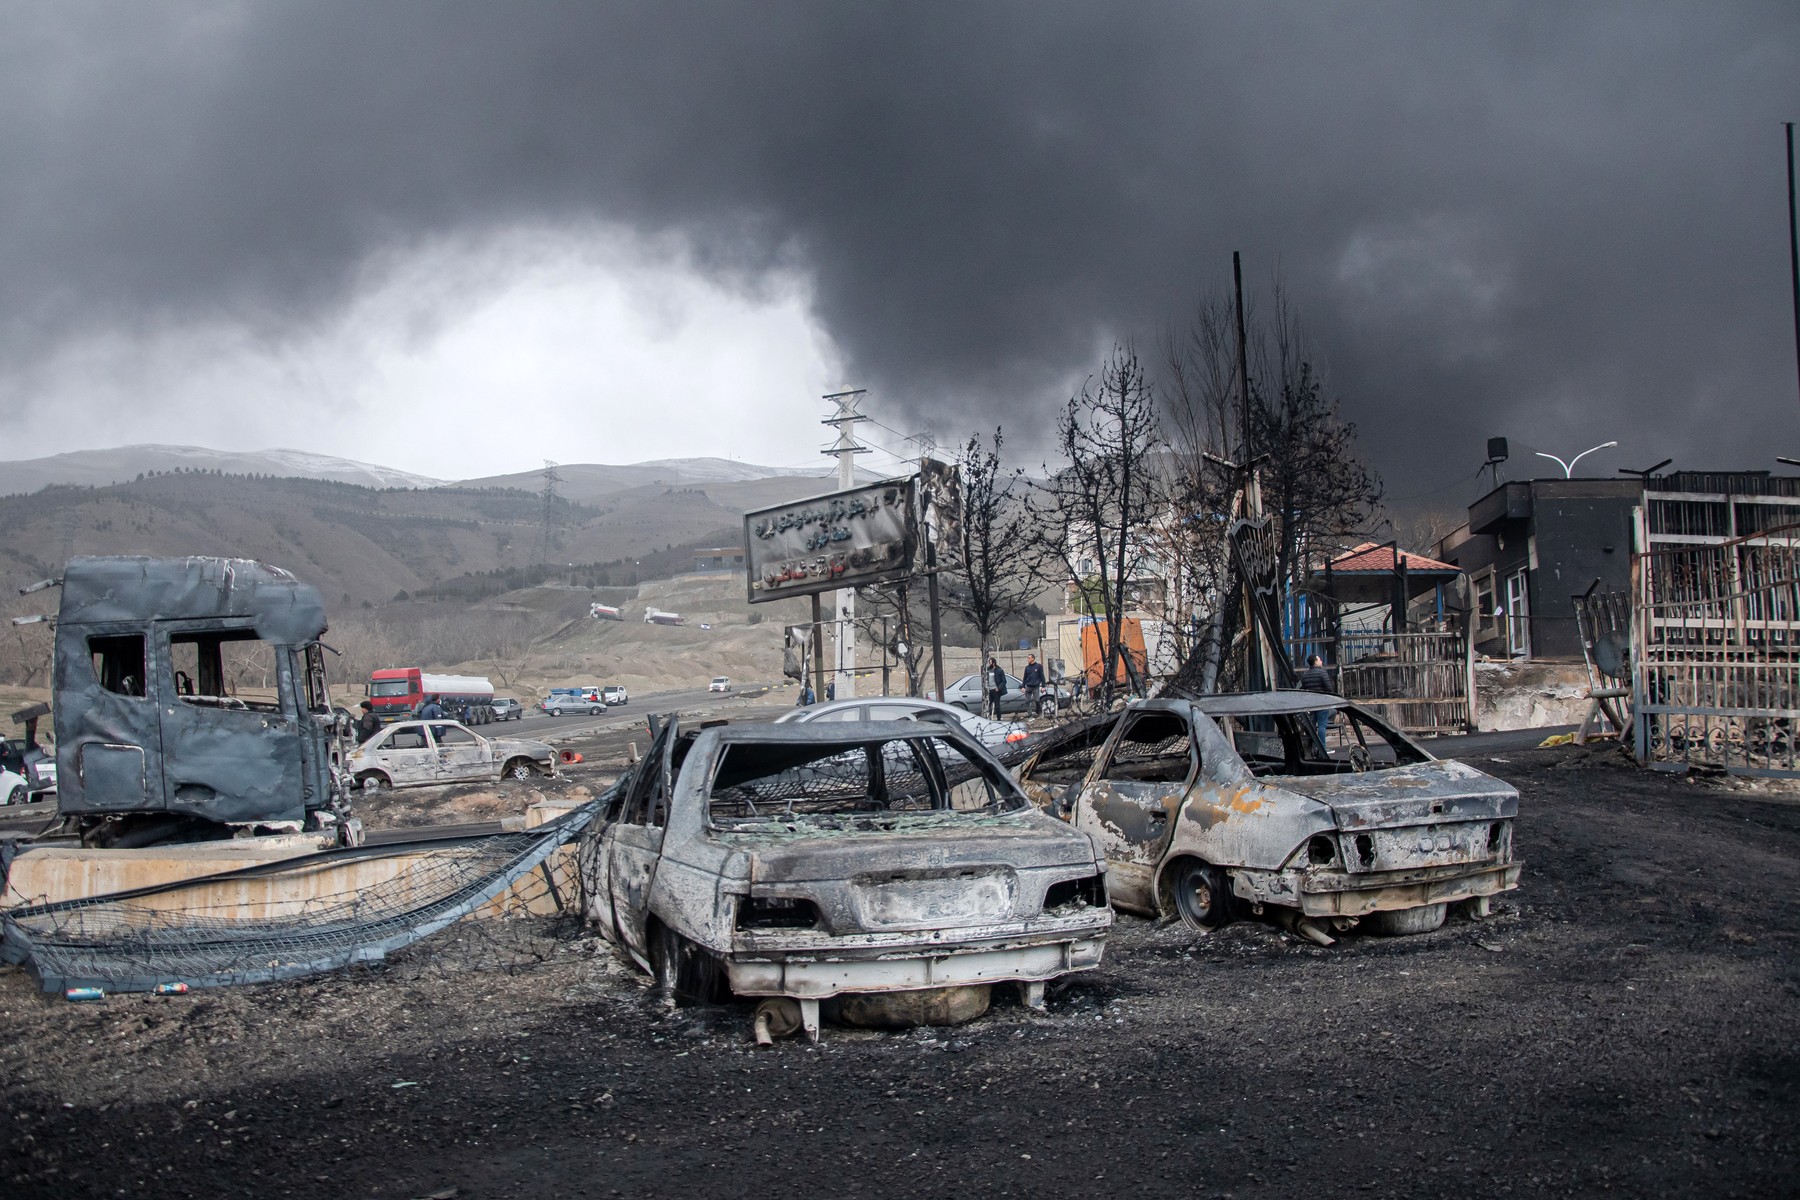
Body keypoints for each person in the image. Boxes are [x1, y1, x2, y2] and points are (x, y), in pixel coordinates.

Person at [1298, 655, 1334, 748]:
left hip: (1310, 704)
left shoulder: (1305, 675)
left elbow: (1304, 690)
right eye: (1320, 660)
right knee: (1322, 725)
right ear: (1315, 662)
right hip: (1322, 703)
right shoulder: (1322, 673)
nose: (1321, 661)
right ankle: (1322, 748)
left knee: (1311, 727)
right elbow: (1329, 688)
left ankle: (1312, 748)